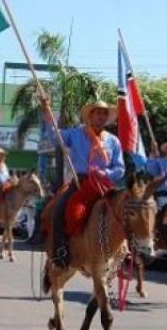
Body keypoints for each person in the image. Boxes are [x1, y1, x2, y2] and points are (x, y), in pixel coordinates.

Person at [39, 98, 125, 267]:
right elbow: (54, 136)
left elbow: (120, 168)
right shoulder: (75, 133)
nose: (101, 117)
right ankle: (61, 253)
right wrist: (47, 112)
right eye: (98, 113)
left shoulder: (113, 141)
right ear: (90, 116)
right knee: (58, 212)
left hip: (104, 185)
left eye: (104, 114)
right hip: (80, 182)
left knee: (127, 213)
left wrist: (104, 172)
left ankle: (126, 254)